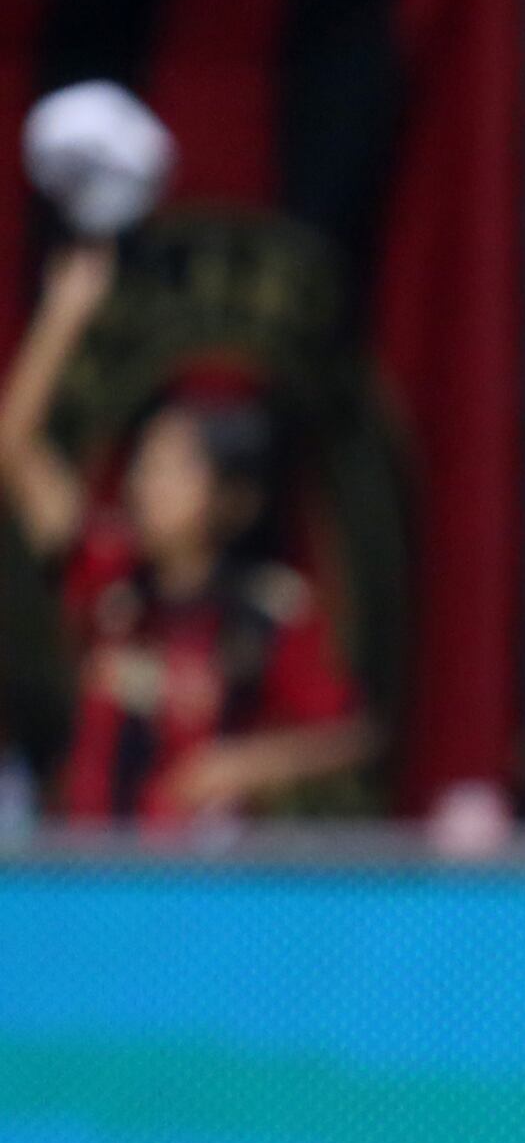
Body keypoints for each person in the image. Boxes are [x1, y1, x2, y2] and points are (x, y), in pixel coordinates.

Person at [0, 242, 371, 827]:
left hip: (197, 888)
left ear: (234, 500)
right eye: (145, 466)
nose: (146, 485)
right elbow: (15, 449)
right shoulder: (107, 572)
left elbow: (347, 732)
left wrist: (237, 765)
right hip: (85, 874)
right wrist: (64, 315)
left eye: (175, 470)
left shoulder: (271, 610)